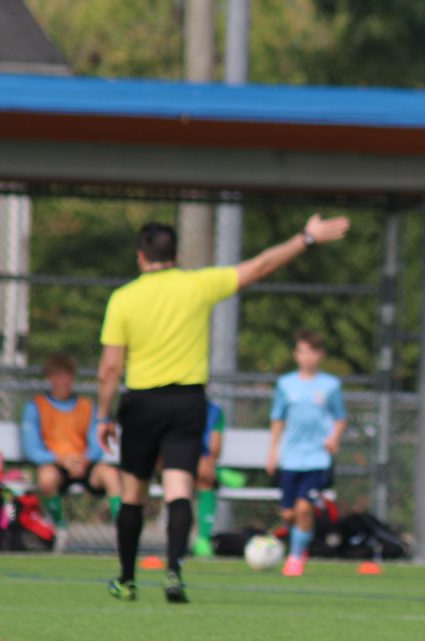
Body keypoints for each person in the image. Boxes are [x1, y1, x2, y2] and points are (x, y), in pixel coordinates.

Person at [97, 214, 349, 603]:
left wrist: (103, 414)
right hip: (187, 401)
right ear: (176, 255)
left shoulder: (124, 297)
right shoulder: (198, 284)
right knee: (180, 487)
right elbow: (262, 265)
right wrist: (305, 238)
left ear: (140, 257)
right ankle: (174, 573)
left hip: (141, 401)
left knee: (134, 493)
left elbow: (110, 367)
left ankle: (127, 579)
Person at [266, 330, 347, 577]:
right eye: (302, 352)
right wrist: (273, 451)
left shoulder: (330, 385)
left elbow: (340, 417)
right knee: (289, 513)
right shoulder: (286, 384)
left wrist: (334, 438)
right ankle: (298, 544)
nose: (307, 357)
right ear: (296, 355)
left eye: (312, 352)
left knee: (304, 509)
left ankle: (296, 557)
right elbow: (278, 419)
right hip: (291, 458)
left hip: (316, 458)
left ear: (320, 355)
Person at [21, 353, 122, 552]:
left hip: (84, 464)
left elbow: (96, 441)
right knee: (46, 478)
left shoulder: (87, 406)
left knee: (111, 475)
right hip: (56, 464)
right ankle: (60, 528)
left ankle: (123, 531)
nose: (63, 381)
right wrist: (60, 459)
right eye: (57, 375)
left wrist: (85, 460)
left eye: (67, 375)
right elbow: (31, 448)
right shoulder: (36, 406)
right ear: (49, 378)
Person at [191, 398, 226, 557]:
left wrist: (206, 461)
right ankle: (222, 474)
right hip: (172, 463)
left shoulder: (214, 410)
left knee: (205, 479)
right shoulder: (171, 405)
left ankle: (202, 540)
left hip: (203, 466)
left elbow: (215, 448)